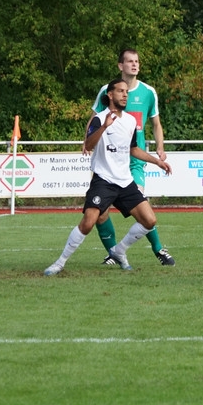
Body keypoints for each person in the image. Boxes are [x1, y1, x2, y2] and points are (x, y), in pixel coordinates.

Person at [45, 78, 172, 275]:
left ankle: (119, 251)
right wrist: (104, 126)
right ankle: (60, 263)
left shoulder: (130, 121)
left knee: (149, 220)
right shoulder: (99, 119)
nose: (125, 95)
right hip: (104, 180)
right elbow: (88, 145)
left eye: (126, 92)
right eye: (121, 91)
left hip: (125, 181)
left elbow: (133, 149)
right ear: (110, 95)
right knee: (88, 222)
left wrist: (157, 161)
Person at [89, 48, 175, 267]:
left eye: (137, 61)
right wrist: (86, 141)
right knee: (100, 214)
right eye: (130, 61)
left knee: (141, 204)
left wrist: (160, 147)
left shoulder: (148, 92)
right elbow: (94, 119)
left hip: (134, 161)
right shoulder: (107, 90)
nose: (134, 64)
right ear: (121, 66)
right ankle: (113, 253)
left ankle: (158, 249)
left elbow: (156, 123)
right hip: (108, 162)